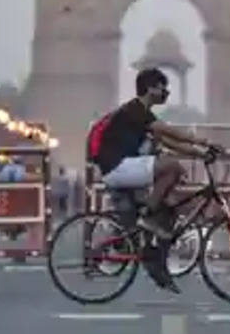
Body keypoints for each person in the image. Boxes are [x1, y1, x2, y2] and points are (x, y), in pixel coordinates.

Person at [87, 68, 222, 290]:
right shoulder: (135, 110)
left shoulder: (141, 114)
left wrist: (201, 154)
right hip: (117, 167)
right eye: (162, 87)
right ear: (150, 88)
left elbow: (170, 143)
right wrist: (204, 141)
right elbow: (169, 132)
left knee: (169, 208)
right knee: (172, 168)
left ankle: (156, 261)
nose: (166, 92)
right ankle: (147, 217)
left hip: (125, 167)